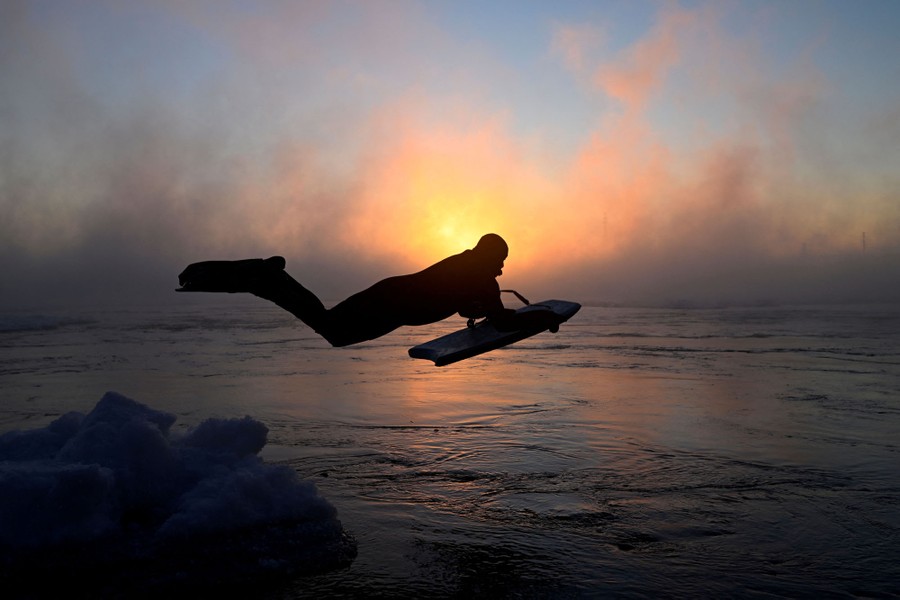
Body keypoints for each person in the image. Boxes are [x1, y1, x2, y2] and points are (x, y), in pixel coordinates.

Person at [177, 233, 561, 347]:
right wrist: (546, 318)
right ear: (488, 256)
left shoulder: (465, 266)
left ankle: (268, 280)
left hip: (387, 297)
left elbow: (463, 307)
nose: (502, 267)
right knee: (333, 331)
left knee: (330, 326)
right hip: (388, 306)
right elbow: (504, 320)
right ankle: (268, 280)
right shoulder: (479, 276)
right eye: (501, 260)